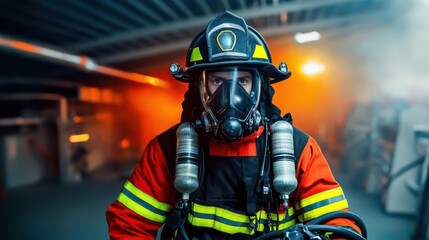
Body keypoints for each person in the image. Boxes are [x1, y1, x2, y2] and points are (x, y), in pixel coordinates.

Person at [106, 11, 364, 240]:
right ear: (199, 89)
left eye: (242, 81)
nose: (230, 96)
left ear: (260, 88)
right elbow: (129, 226)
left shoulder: (297, 150)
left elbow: (339, 226)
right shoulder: (168, 150)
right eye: (217, 82)